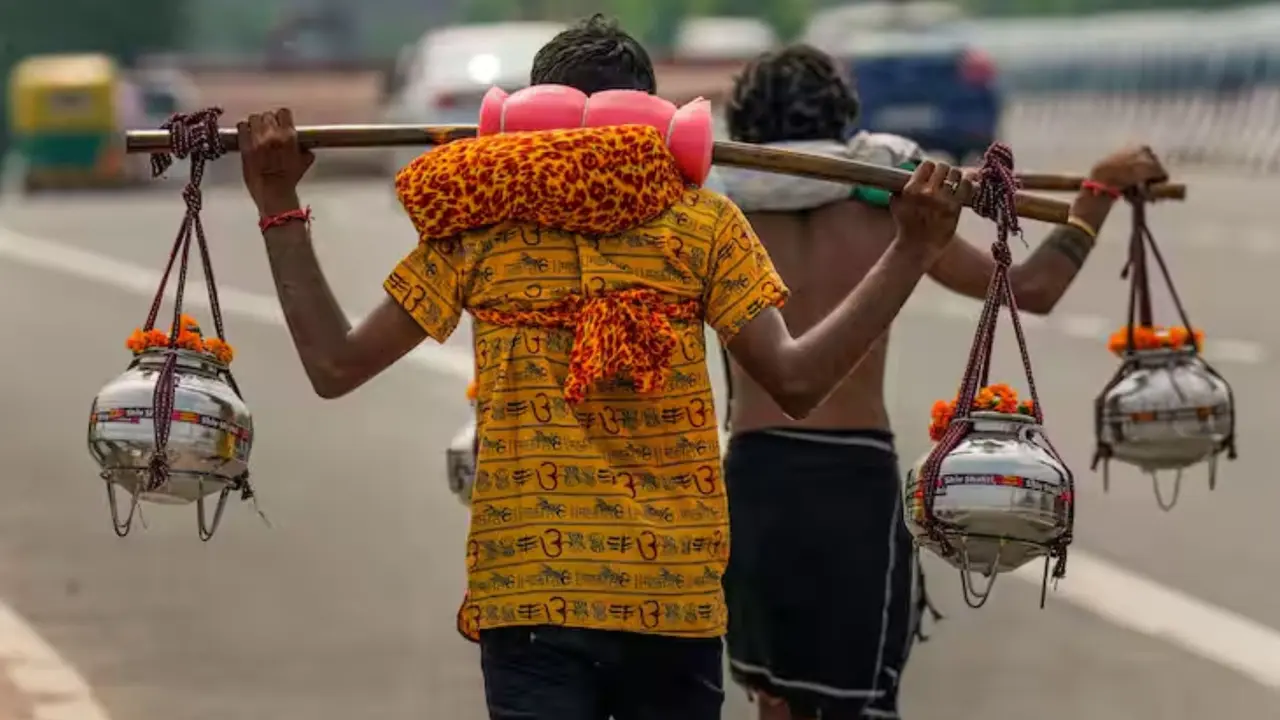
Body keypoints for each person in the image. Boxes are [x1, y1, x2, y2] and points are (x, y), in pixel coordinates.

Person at [235, 15, 972, 720]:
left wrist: (278, 203)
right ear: (654, 120)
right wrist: (912, 249)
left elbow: (335, 364)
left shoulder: (479, 229)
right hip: (672, 601)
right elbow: (799, 382)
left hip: (532, 595)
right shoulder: (701, 225)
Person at [715, 44, 1169, 720]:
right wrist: (1097, 192)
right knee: (859, 701)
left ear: (746, 133)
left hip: (752, 482)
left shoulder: (715, 217)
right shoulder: (892, 207)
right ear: (845, 125)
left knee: (776, 702)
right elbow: (1034, 289)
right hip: (852, 489)